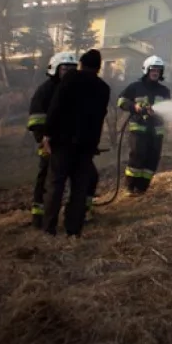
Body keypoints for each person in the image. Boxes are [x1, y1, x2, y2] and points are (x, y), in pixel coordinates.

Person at [41, 49, 111, 237]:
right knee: (79, 189)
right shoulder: (104, 88)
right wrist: (93, 144)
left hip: (63, 143)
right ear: (98, 67)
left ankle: (49, 228)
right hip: (86, 146)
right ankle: (73, 230)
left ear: (81, 64)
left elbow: (56, 107)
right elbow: (99, 118)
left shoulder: (71, 79)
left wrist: (47, 133)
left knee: (56, 185)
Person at [26, 52, 77, 228]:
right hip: (50, 143)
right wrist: (42, 140)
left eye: (72, 69)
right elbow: (36, 119)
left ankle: (81, 213)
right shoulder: (46, 90)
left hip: (71, 144)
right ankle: (38, 217)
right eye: (65, 69)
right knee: (46, 180)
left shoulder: (75, 90)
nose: (69, 72)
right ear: (55, 69)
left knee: (86, 177)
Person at [117, 55, 171, 196]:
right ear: (146, 70)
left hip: (156, 131)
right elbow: (121, 101)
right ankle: (130, 187)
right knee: (137, 155)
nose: (156, 73)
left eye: (158, 70)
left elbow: (169, 110)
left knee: (152, 159)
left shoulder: (164, 91)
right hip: (139, 129)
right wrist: (134, 107)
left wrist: (157, 114)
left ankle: (142, 188)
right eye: (153, 70)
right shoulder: (135, 87)